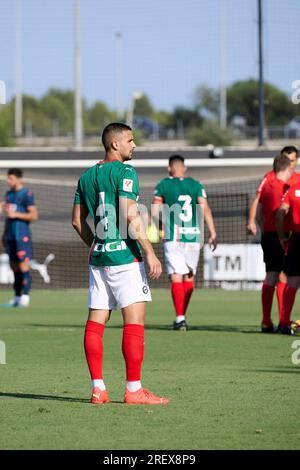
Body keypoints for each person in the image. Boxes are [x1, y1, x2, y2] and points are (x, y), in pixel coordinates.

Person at [72, 122, 169, 405]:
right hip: (125, 258)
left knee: (95, 322)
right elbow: (130, 214)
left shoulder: (87, 176)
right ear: (115, 144)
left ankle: (98, 388)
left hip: (99, 258)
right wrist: (149, 252)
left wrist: (96, 243)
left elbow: (77, 222)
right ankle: (133, 389)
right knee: (134, 323)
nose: (134, 145)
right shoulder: (126, 171)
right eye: (130, 140)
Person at [151, 155, 217, 331]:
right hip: (194, 237)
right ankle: (181, 317)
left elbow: (155, 211)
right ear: (184, 168)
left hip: (174, 237)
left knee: (176, 277)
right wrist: (213, 232)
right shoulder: (196, 185)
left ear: (169, 168)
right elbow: (206, 209)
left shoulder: (163, 185)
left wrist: (158, 228)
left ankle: (180, 318)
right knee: (189, 277)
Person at [247, 145, 300, 323]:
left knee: (283, 275)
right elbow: (259, 201)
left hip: (290, 233)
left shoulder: (297, 180)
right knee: (276, 274)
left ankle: (281, 319)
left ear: (296, 161)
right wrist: (253, 221)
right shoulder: (269, 178)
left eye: (292, 160)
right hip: (276, 233)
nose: (290, 163)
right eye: (287, 160)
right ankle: (273, 319)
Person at [257, 154, 293, 333]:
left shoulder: (267, 188)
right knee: (285, 277)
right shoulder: (285, 188)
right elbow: (282, 214)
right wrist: (281, 237)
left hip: (267, 235)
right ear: (287, 168)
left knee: (271, 275)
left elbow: (258, 211)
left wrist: (264, 229)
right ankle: (283, 321)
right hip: (282, 236)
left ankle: (266, 320)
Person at [1, 168, 38, 307]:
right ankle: (16, 297)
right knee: (14, 267)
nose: (8, 181)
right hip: (10, 235)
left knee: (23, 266)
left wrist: (16, 214)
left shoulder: (26, 194)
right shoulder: (9, 194)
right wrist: (4, 234)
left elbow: (34, 215)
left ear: (18, 178)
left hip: (22, 236)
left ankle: (25, 296)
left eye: (10, 178)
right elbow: (8, 217)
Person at [276, 177, 300, 335]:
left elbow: (280, 213)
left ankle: (284, 323)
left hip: (297, 240)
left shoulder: (294, 188)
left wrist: (281, 236)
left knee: (292, 282)